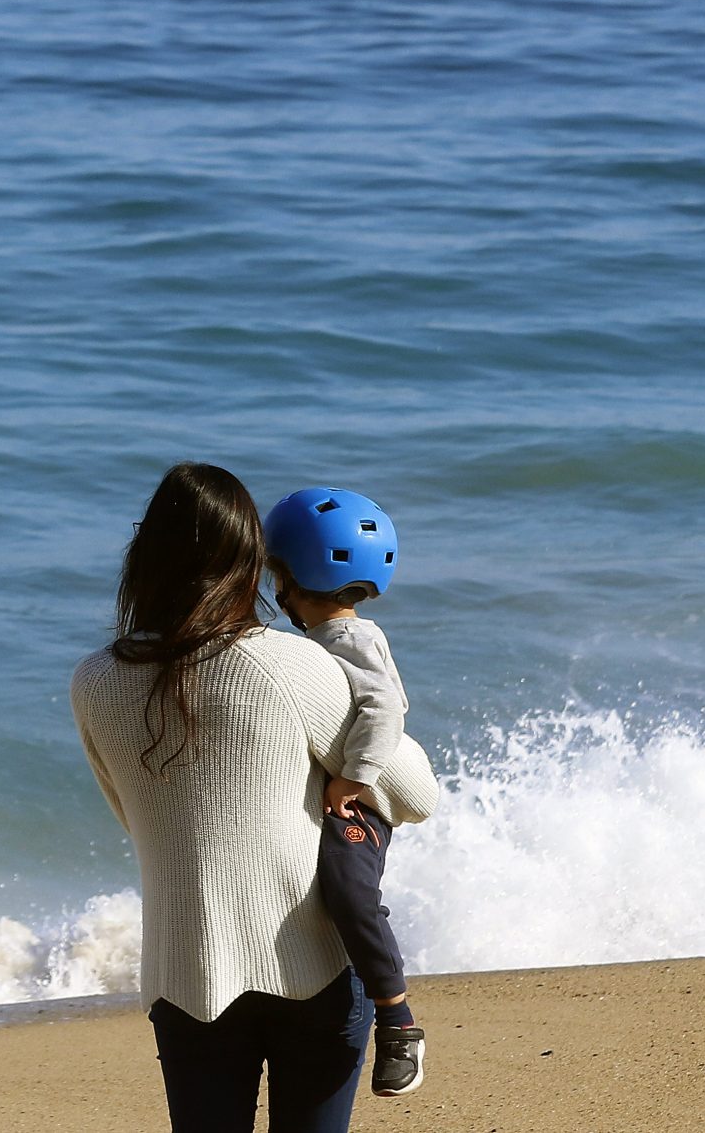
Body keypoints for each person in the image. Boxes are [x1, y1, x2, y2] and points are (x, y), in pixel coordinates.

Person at [71, 463, 438, 1133]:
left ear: (144, 555)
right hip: (314, 966)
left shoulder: (94, 681)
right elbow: (415, 793)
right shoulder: (294, 664)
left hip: (184, 971)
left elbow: (134, 816)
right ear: (252, 562)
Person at [264, 486, 424, 1098]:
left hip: (362, 804)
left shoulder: (351, 641)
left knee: (351, 893)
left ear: (289, 580)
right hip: (345, 796)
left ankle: (399, 1021)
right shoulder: (323, 642)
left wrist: (354, 776)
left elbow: (386, 708)